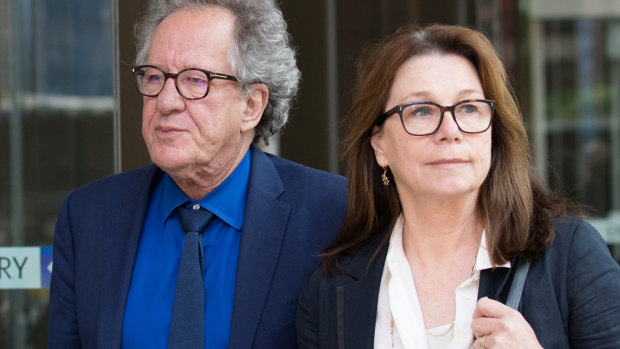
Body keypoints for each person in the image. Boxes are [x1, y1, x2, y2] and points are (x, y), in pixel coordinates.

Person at [296, 24, 620, 349]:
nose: (450, 130)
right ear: (379, 145)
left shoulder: (570, 257)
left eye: (468, 108)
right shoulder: (330, 292)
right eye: (421, 110)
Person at [47, 0, 347, 348]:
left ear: (251, 105)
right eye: (155, 77)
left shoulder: (332, 214)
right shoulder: (88, 216)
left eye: (195, 80)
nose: (165, 101)